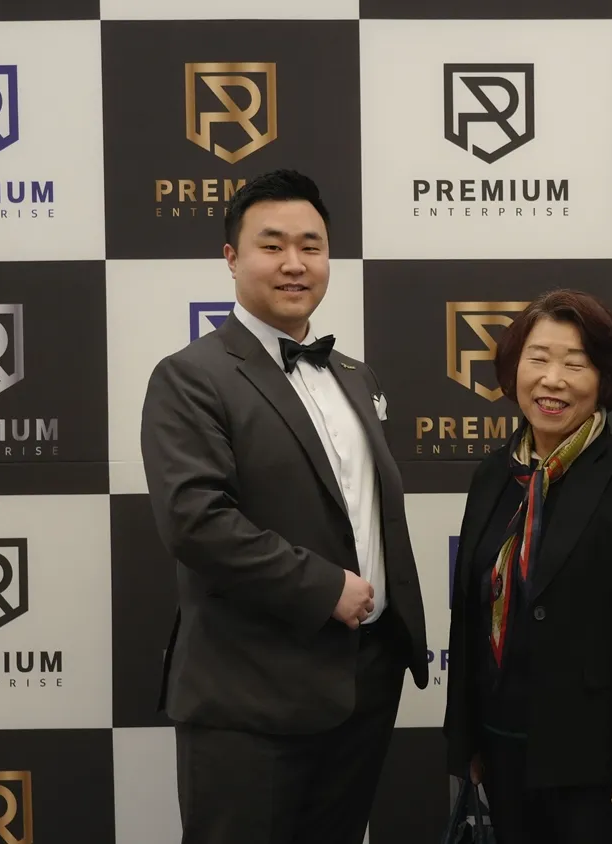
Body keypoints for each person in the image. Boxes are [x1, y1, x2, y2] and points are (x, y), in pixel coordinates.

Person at [139, 169, 429, 843]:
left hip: (362, 685)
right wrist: (324, 587)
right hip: (250, 695)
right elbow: (196, 522)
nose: (294, 263)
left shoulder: (355, 375)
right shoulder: (191, 376)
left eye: (311, 246)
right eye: (272, 246)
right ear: (231, 258)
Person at [443, 289, 612, 844]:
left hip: (594, 755)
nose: (553, 380)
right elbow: (470, 613)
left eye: (575, 364)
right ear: (513, 370)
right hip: (502, 744)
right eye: (538, 359)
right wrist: (467, 738)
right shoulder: (492, 475)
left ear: (603, 380)